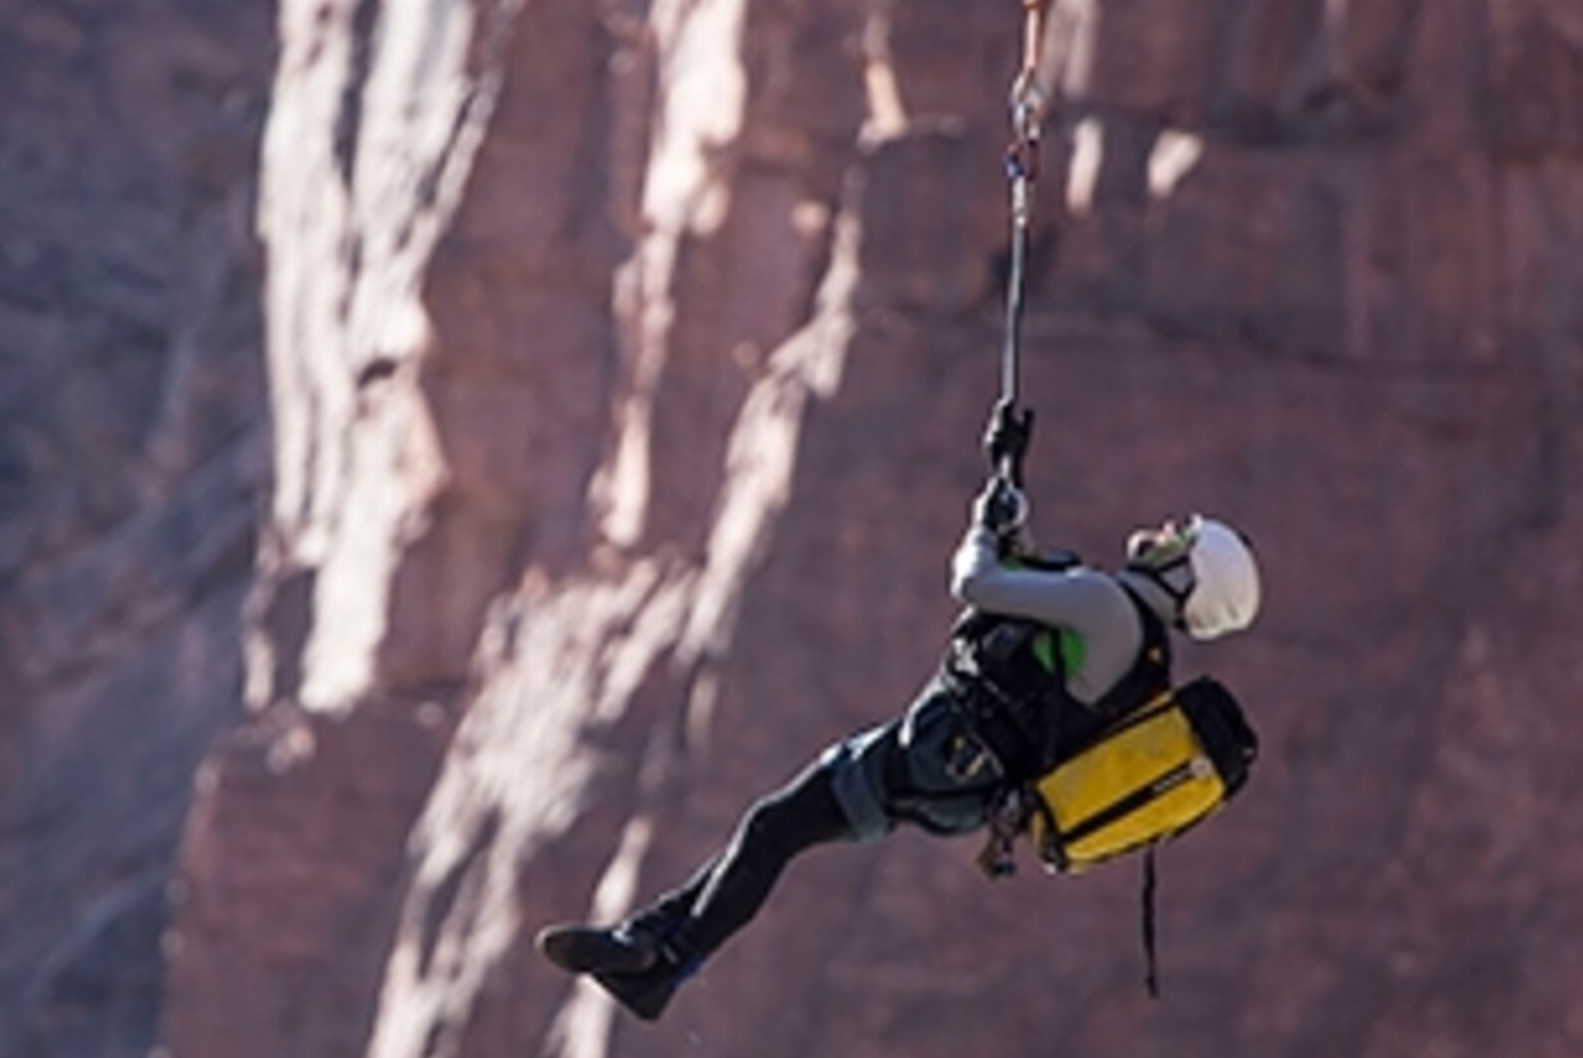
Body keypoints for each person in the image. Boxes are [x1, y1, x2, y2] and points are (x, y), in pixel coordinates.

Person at [535, 401, 1261, 1021]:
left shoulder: (1108, 606)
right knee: (774, 829)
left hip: (938, 755)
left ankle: (663, 963)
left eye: (1182, 538)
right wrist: (1005, 485)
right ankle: (650, 949)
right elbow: (1030, 595)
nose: (1167, 530)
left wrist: (984, 532)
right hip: (964, 785)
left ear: (1188, 573)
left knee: (774, 826)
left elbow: (976, 583)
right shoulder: (1138, 652)